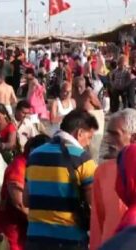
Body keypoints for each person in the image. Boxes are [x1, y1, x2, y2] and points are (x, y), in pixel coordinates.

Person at [25, 109, 98, 250]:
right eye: (89, 137)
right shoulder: (83, 159)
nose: (88, 143)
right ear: (79, 133)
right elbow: (94, 203)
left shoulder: (34, 155)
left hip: (35, 238)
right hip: (69, 240)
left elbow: (26, 200)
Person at [0, 134, 51, 250]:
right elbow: (19, 203)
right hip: (10, 227)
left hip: (23, 228)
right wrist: (42, 224)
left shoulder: (33, 166)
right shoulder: (19, 166)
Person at [89, 109, 136, 250]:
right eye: (108, 133)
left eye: (115, 134)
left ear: (134, 138)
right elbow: (97, 222)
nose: (108, 140)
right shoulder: (102, 172)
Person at [73, 76, 103, 162]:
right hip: (82, 126)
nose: (79, 89)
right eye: (76, 86)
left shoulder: (88, 93)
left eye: (80, 86)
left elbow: (99, 106)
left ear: (84, 85)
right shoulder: (75, 94)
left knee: (93, 152)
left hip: (93, 126)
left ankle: (94, 173)